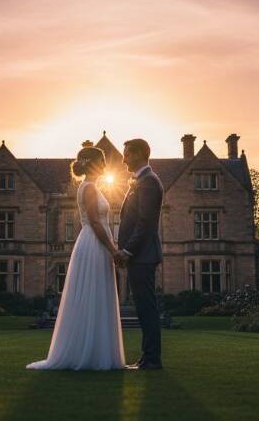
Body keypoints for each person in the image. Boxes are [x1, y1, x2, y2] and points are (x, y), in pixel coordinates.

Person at [26, 146, 125, 370]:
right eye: (102, 161)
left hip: (94, 243)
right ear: (94, 164)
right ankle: (89, 355)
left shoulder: (91, 187)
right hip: (94, 243)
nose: (105, 165)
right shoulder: (88, 188)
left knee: (97, 294)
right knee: (93, 294)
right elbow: (95, 222)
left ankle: (97, 353)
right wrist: (113, 250)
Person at [114, 138, 164, 370]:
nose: (124, 159)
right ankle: (147, 357)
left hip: (142, 256)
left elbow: (145, 223)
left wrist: (127, 250)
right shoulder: (142, 181)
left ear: (139, 154)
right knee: (144, 308)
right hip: (140, 256)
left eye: (126, 154)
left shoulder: (149, 182)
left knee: (146, 308)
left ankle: (152, 359)